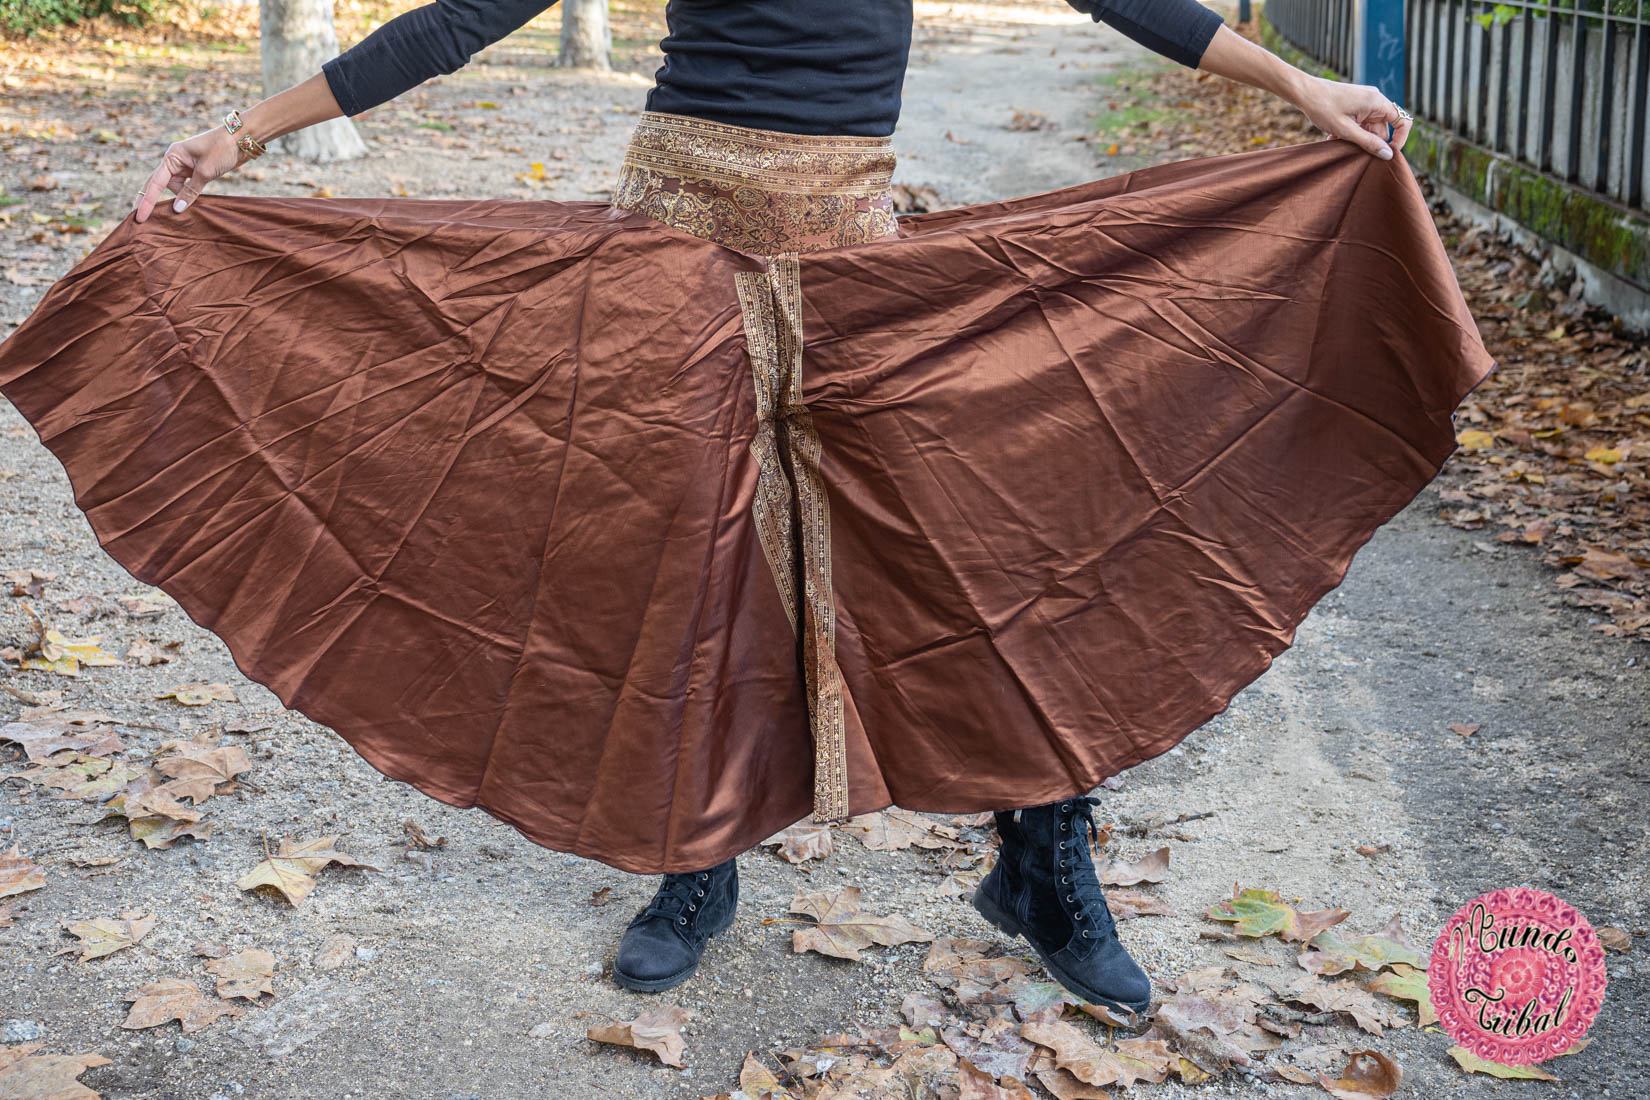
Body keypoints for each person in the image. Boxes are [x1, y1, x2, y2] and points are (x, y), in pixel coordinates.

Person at [2, 0, 1485, 1022]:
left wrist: (1301, 92)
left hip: (858, 265)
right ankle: (693, 856)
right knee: (685, 568)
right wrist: (246, 136)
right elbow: (465, 17)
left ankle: (1042, 868)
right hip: (674, 268)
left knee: (974, 558)